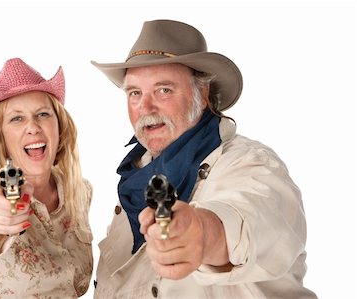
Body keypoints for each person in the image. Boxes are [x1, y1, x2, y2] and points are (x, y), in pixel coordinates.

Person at [91, 19, 317, 298]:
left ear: (203, 93)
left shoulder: (251, 164)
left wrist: (202, 233)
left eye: (164, 90)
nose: (145, 107)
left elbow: (253, 219)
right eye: (135, 93)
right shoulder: (137, 176)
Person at [0, 58, 93, 298]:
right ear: (0, 135)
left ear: (60, 126)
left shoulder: (80, 191)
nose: (33, 127)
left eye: (43, 114)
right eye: (17, 118)